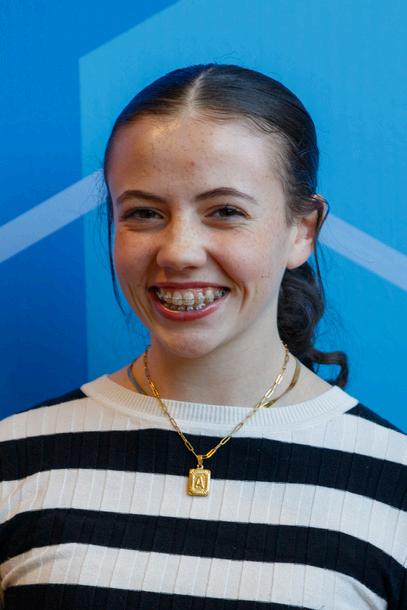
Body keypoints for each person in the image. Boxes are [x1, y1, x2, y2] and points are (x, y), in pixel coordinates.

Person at [0, 64, 406, 609]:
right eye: (145, 212)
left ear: (302, 230)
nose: (179, 252)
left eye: (225, 212)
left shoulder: (395, 487)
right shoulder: (14, 461)